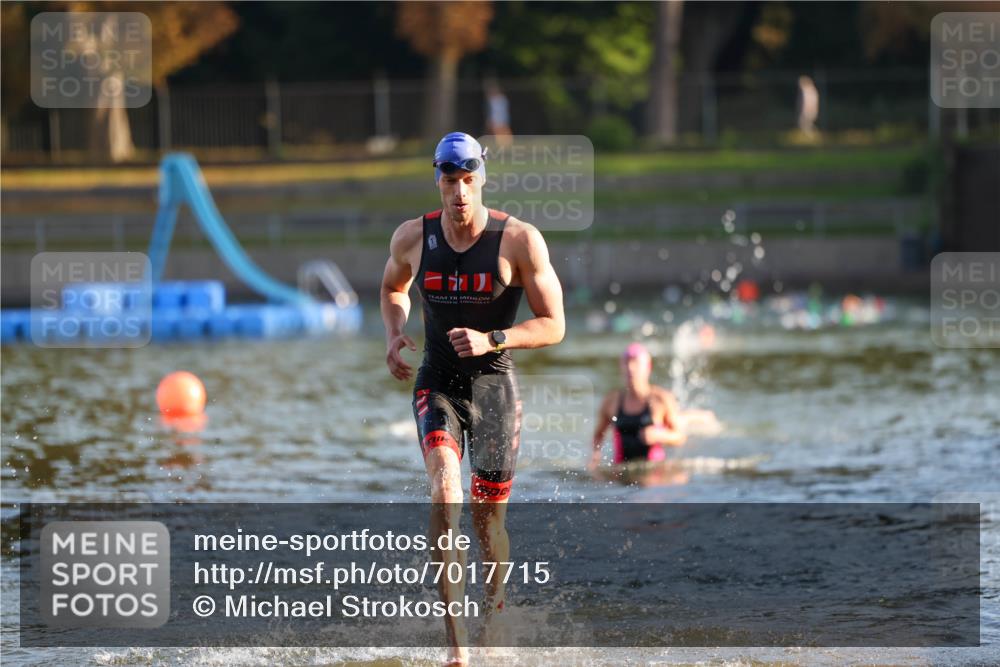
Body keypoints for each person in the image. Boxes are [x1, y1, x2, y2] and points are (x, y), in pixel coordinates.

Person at [380, 132, 565, 666]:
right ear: (436, 180)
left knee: (490, 523)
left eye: (468, 180)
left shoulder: (519, 240)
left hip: (495, 389)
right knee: (444, 494)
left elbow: (555, 325)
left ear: (481, 178)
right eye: (449, 181)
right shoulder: (413, 236)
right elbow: (394, 288)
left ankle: (497, 610)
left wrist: (495, 339)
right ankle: (457, 648)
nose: (459, 193)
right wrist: (394, 334)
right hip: (438, 381)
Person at [590, 342, 720, 472]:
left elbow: (680, 437)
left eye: (636, 363)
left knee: (681, 419)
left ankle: (699, 416)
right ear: (621, 367)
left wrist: (660, 435)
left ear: (648, 367)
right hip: (622, 470)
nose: (631, 368)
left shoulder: (661, 399)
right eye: (626, 362)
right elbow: (598, 435)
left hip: (655, 473)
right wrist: (595, 458)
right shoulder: (611, 401)